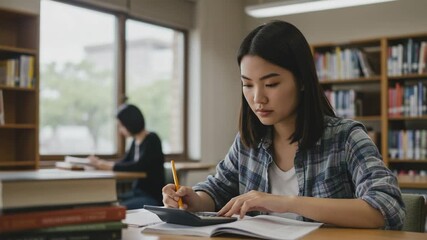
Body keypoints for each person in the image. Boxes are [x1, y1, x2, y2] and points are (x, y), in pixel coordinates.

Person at [162, 20, 405, 230]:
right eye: (247, 84)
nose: (258, 98)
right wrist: (193, 199)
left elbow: (386, 207)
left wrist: (283, 201)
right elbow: (216, 190)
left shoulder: (346, 138)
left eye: (271, 84)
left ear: (301, 81)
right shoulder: (249, 142)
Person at [89, 103, 165, 209]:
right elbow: (125, 162)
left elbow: (139, 166)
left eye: (121, 126)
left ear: (130, 123)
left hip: (151, 197)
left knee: (114, 207)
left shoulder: (152, 139)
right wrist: (100, 163)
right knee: (104, 201)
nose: (120, 130)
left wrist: (109, 166)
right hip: (136, 192)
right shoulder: (135, 141)